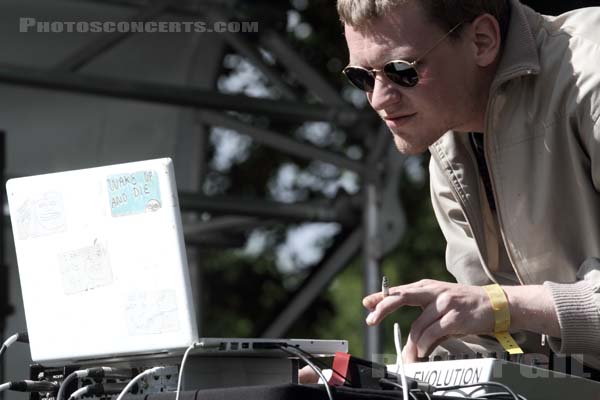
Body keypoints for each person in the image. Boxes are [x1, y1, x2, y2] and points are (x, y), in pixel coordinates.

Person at [337, 0, 600, 375]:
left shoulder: (593, 78)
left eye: (401, 70)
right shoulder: (446, 134)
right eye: (362, 77)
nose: (379, 99)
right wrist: (372, 380)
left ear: (481, 40)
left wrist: (503, 305)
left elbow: (504, 309)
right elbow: (515, 347)